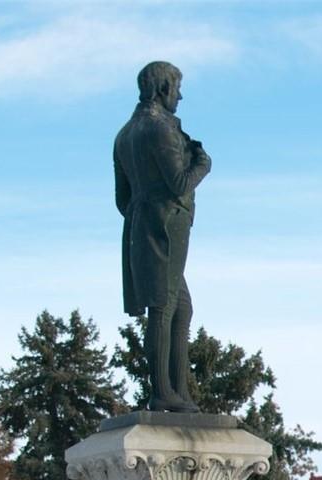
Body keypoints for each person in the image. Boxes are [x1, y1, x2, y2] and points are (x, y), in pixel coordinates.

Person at [114, 61, 211, 412]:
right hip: (168, 224)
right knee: (165, 305)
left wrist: (144, 213)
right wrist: (203, 163)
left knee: (178, 307)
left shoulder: (125, 134)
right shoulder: (160, 129)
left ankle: (178, 392)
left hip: (142, 223)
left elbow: (121, 199)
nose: (180, 95)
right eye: (177, 87)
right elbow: (180, 183)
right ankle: (163, 393)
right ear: (163, 88)